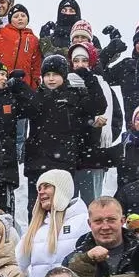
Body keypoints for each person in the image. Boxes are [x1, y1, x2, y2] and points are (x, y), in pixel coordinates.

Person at [24, 53, 112, 206]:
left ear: (64, 76)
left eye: (55, 74)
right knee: (36, 207)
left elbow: (99, 105)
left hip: (64, 162)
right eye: (47, 75)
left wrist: (89, 79)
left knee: (63, 206)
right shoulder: (36, 97)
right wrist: (18, 87)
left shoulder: (74, 96)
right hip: (37, 163)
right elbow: (19, 109)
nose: (51, 79)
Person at [19, 171, 84, 277]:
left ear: (61, 188)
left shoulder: (83, 221)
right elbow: (16, 264)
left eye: (47, 186)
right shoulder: (36, 228)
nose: (41, 192)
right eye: (39, 188)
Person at [61, 196, 139, 277]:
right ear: (89, 224)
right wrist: (86, 260)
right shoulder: (71, 261)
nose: (105, 227)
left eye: (111, 220)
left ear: (122, 221)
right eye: (98, 221)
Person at [0, 3, 43, 87]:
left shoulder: (33, 39)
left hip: (23, 83)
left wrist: (35, 85)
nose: (20, 18)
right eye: (16, 16)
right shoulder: (1, 33)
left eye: (23, 16)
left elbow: (36, 66)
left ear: (27, 19)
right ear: (10, 20)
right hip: (0, 80)